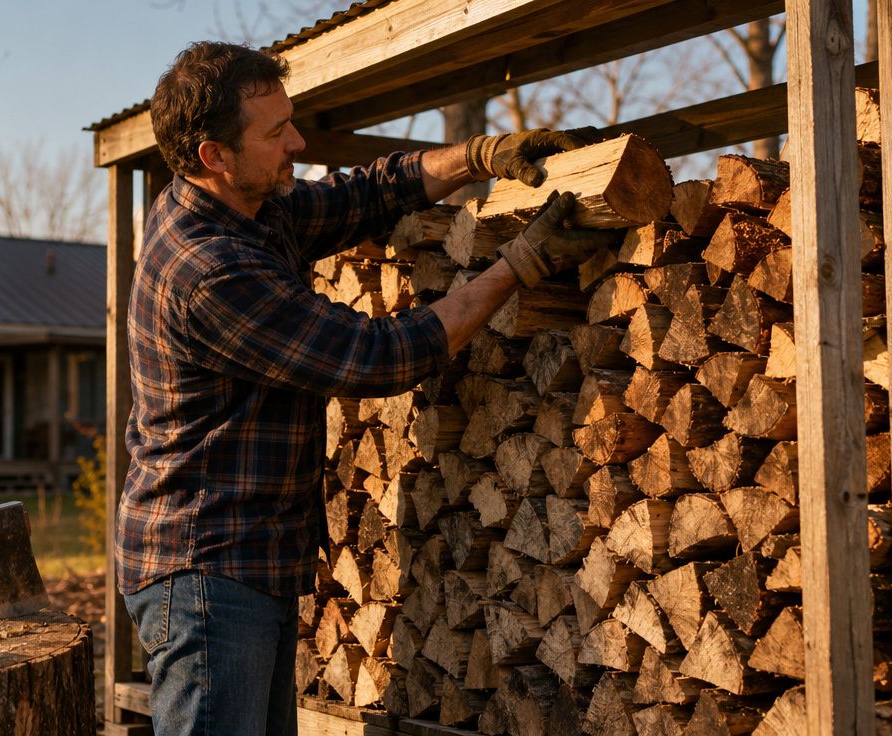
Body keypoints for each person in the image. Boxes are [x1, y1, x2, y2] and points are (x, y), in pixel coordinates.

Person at [119, 40, 598, 736]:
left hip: (240, 565)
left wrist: (483, 154)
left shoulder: (247, 206)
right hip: (206, 571)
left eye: (292, 120)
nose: (297, 141)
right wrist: (518, 264)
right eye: (275, 131)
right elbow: (376, 356)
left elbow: (367, 192)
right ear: (213, 156)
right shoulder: (211, 268)